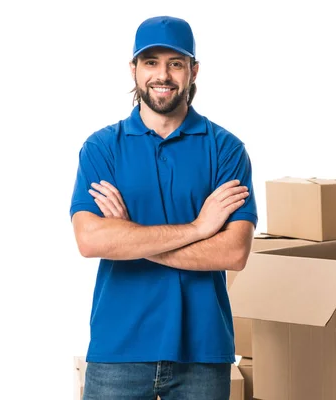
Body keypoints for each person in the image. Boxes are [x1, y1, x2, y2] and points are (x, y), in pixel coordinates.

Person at [69, 15, 257, 400]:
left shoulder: (226, 150)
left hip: (202, 351)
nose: (163, 74)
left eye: (175, 63)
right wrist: (200, 228)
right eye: (151, 62)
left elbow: (234, 252)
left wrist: (130, 237)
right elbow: (90, 241)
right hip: (118, 349)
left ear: (193, 71)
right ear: (134, 70)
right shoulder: (102, 148)